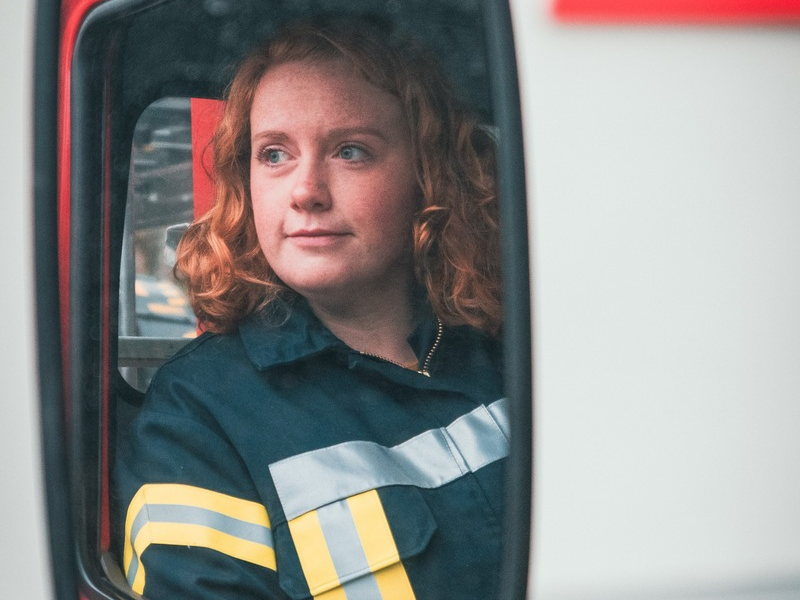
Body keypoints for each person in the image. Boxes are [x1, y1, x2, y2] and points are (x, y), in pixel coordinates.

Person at [115, 15, 507, 600]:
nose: (305, 190)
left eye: (350, 151)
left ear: (428, 177)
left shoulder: (509, 344)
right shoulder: (199, 414)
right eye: (273, 154)